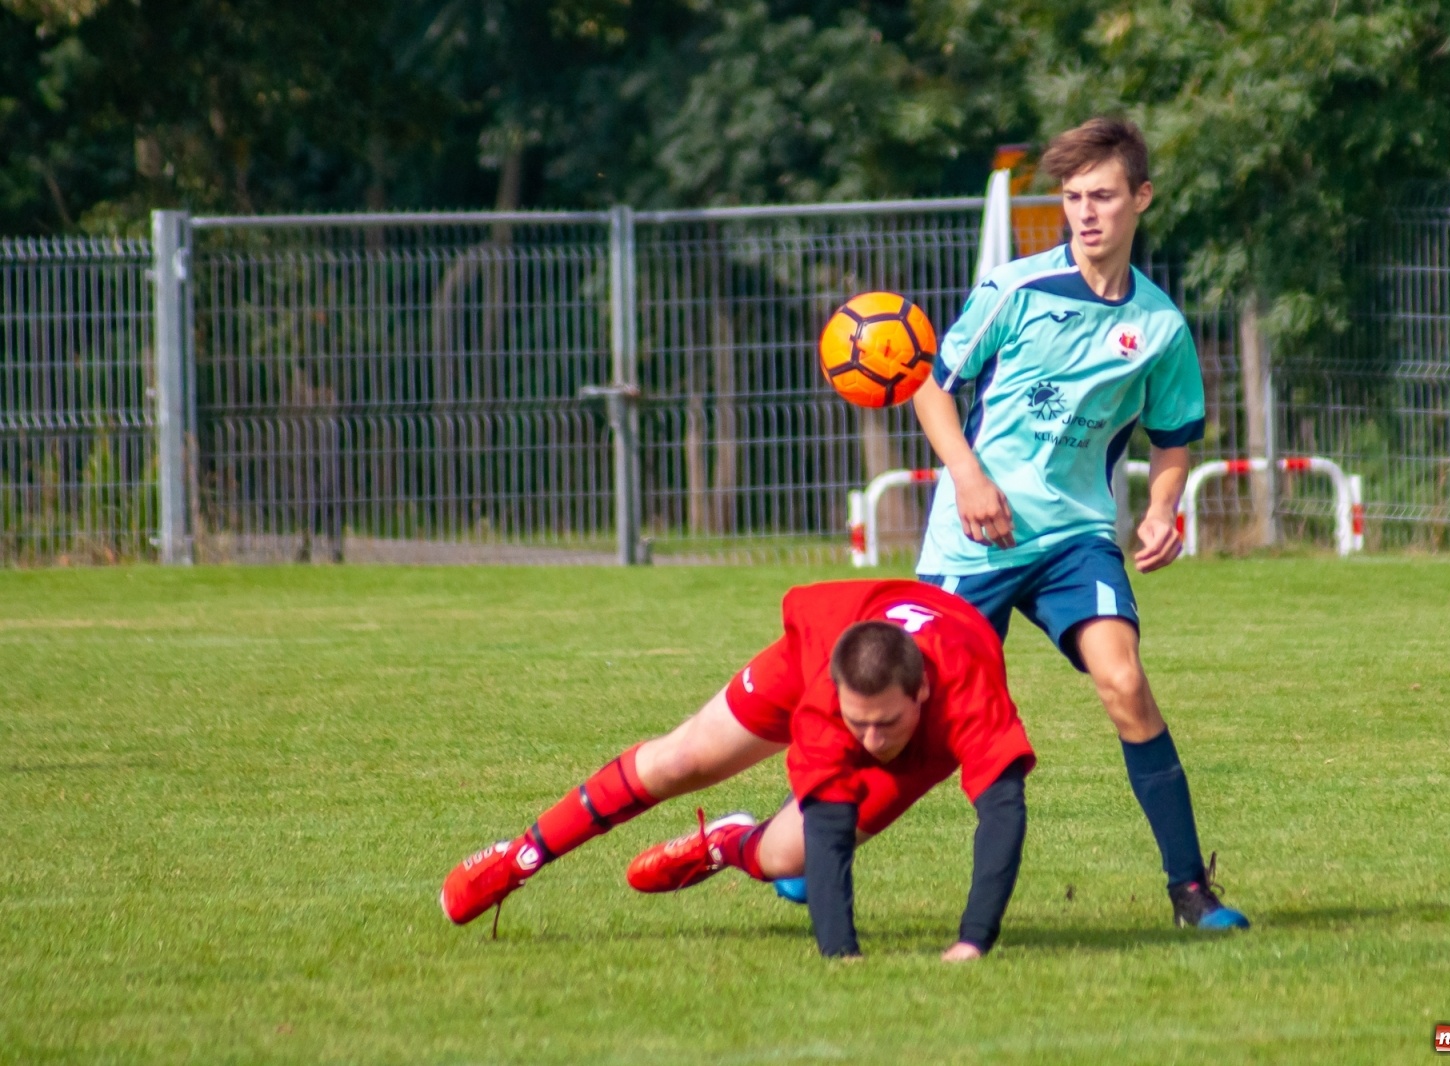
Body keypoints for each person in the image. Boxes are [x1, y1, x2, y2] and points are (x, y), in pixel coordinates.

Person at [909, 116, 1249, 930]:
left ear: (1141, 198)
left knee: (1125, 682)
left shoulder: (1161, 326)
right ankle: (803, 840)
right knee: (913, 714)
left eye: (1102, 195)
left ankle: (1190, 891)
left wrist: (1165, 510)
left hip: (1074, 539)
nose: (1086, 212)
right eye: (1072, 198)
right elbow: (931, 386)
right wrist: (968, 477)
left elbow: (1173, 441)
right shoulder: (1013, 287)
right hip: (975, 536)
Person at [441, 579, 1035, 960]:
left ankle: (725, 843)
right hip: (813, 655)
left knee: (786, 859)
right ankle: (519, 856)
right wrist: (842, 954)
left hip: (928, 690)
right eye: (860, 726)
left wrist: (973, 941)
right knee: (683, 757)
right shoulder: (830, 700)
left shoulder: (966, 693)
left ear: (924, 692)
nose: (872, 741)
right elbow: (831, 823)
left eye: (887, 725)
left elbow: (1002, 812)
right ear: (837, 699)